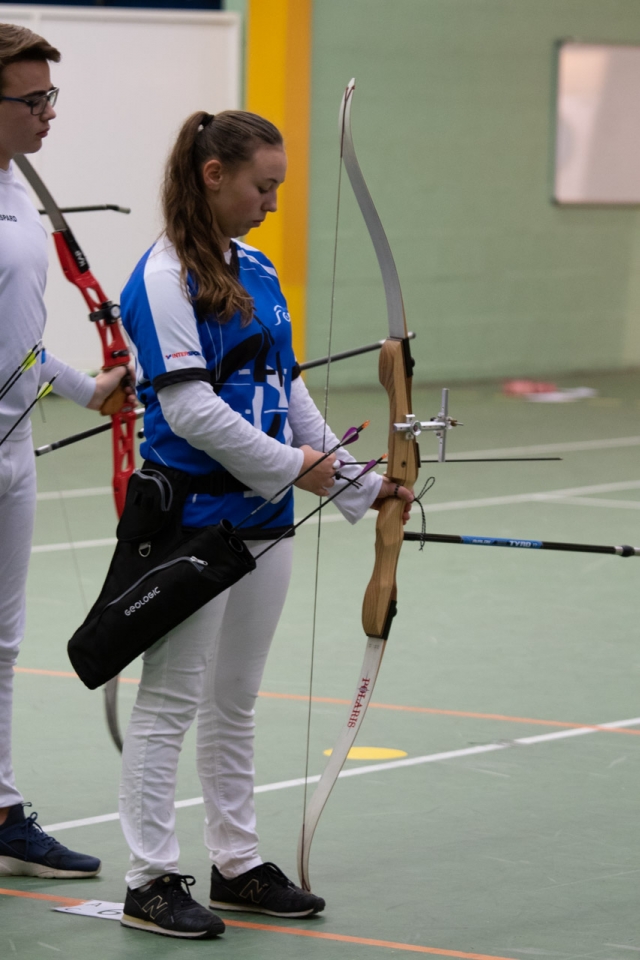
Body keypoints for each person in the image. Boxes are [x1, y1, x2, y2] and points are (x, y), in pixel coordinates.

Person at [117, 109, 413, 939]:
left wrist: (357, 483)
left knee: (234, 700)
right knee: (170, 702)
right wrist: (296, 466)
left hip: (264, 519)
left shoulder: (256, 268)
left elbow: (290, 391)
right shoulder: (162, 277)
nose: (272, 203)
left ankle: (237, 864)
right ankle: (148, 880)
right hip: (192, 518)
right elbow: (189, 409)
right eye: (263, 186)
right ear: (214, 176)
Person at [0, 24, 133, 879]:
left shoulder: (17, 190)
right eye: (34, 99)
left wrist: (92, 389)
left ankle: (1, 807)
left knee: (2, 642)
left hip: (14, 449)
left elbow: (21, 339)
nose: (50, 112)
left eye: (52, 95)